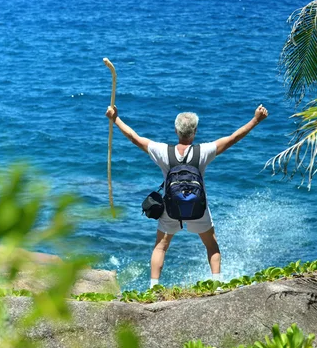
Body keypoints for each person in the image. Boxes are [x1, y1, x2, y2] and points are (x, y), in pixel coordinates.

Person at [105, 104, 268, 288]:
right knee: (212, 246)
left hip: (170, 208)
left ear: (176, 130)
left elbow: (135, 138)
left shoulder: (162, 151)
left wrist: (115, 118)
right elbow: (233, 138)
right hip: (198, 208)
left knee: (161, 246)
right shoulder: (203, 151)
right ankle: (217, 284)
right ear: (195, 131)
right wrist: (256, 120)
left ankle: (154, 287)